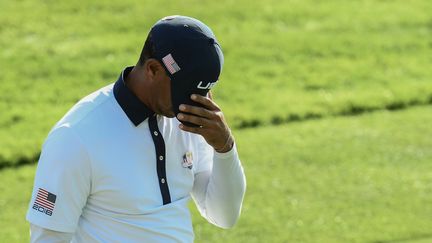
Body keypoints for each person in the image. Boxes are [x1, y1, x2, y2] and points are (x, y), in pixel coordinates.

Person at [26, 15, 246, 242]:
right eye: (185, 92)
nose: (192, 103)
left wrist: (224, 147)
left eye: (202, 94)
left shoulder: (187, 119)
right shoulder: (75, 137)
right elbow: (48, 237)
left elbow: (224, 216)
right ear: (153, 69)